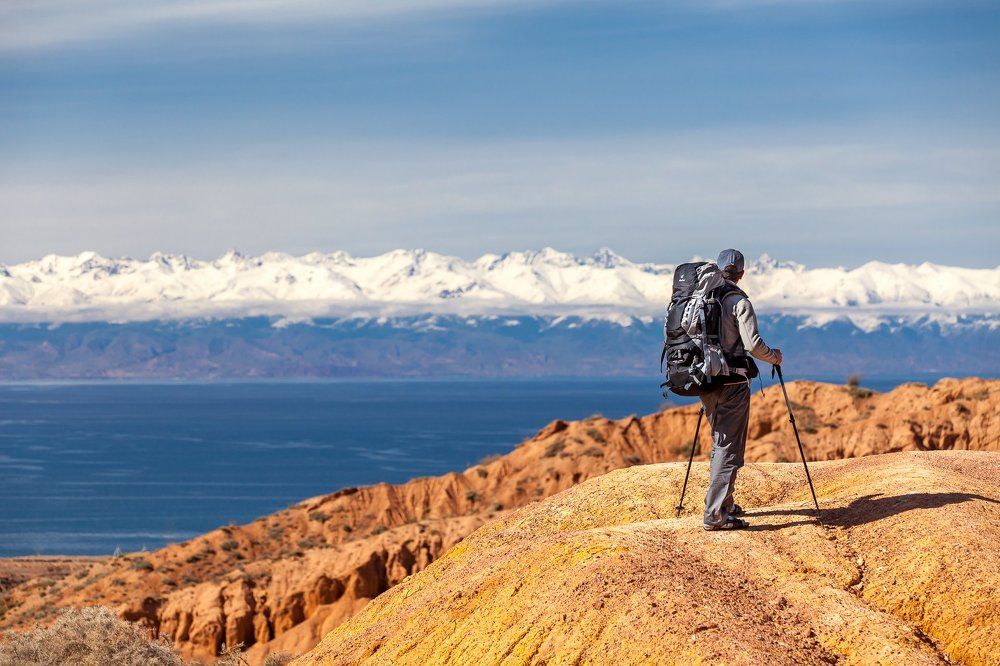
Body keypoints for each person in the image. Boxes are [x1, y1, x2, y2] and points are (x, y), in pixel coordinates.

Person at [702, 248, 782, 531]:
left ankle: (726, 504)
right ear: (742, 274)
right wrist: (774, 356)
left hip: (705, 381)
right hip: (733, 383)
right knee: (729, 446)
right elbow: (752, 345)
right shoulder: (738, 301)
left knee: (720, 441)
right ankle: (715, 514)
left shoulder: (702, 299)